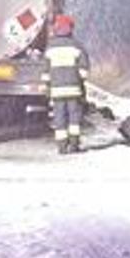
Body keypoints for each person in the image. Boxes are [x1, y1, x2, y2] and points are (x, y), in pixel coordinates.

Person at [43, 14, 91, 154]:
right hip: (73, 89)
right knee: (74, 117)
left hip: (57, 90)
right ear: (70, 29)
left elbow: (46, 70)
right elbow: (84, 69)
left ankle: (62, 146)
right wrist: (80, 80)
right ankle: (74, 145)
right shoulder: (76, 45)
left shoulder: (50, 47)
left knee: (59, 117)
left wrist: (47, 85)